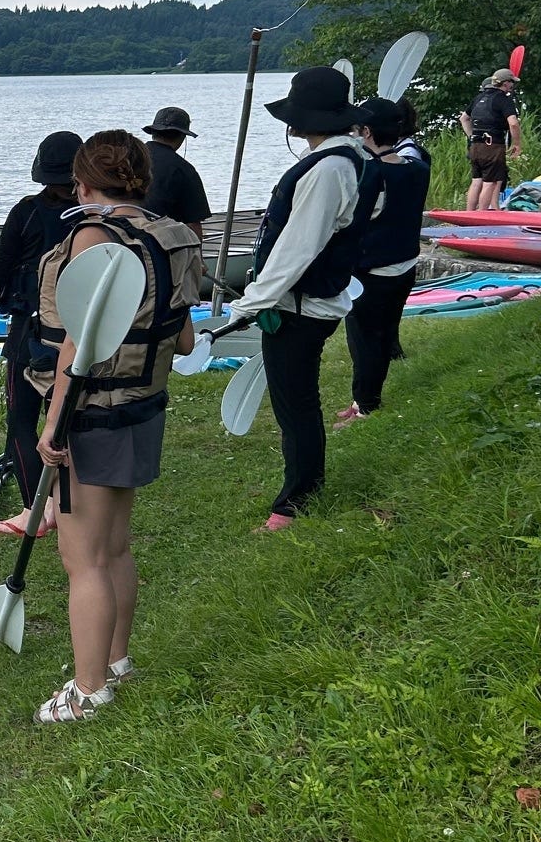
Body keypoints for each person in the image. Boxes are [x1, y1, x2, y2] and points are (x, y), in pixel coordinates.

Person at [26, 132, 201, 724]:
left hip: (92, 414)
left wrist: (53, 430)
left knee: (84, 560)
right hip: (143, 406)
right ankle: (117, 660)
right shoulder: (169, 235)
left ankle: (88, 689)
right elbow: (184, 337)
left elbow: (77, 344)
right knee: (115, 546)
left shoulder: (90, 239)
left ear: (82, 183)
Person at [228, 67, 367, 529]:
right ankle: (301, 490)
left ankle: (297, 501)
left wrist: (252, 301)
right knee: (295, 401)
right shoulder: (334, 158)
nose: (291, 122)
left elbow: (299, 245)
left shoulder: (330, 167)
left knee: (297, 403)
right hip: (296, 301)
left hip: (303, 305)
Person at [0, 130, 82, 537]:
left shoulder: (28, 211)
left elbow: (0, 266)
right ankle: (66, 506)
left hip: (29, 332)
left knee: (21, 421)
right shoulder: (91, 216)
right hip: (80, 334)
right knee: (69, 421)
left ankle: (36, 510)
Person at [336, 97, 431, 428]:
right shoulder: (418, 167)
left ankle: (365, 406)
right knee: (383, 334)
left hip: (373, 271)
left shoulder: (372, 174)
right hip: (405, 265)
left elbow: (354, 221)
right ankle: (363, 400)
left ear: (366, 131)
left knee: (364, 341)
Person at [141, 107, 211, 238]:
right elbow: (193, 225)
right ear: (182, 137)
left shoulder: (128, 158)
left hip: (120, 237)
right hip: (164, 243)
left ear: (153, 133)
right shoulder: (184, 169)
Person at [459, 66, 522, 211]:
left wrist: (471, 136)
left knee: (476, 181)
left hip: (475, 145)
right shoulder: (503, 100)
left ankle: (469, 214)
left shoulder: (479, 97)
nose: (513, 85)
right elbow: (513, 123)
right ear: (505, 83)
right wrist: (517, 144)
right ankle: (481, 215)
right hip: (492, 146)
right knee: (490, 182)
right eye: (512, 82)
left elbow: (464, 118)